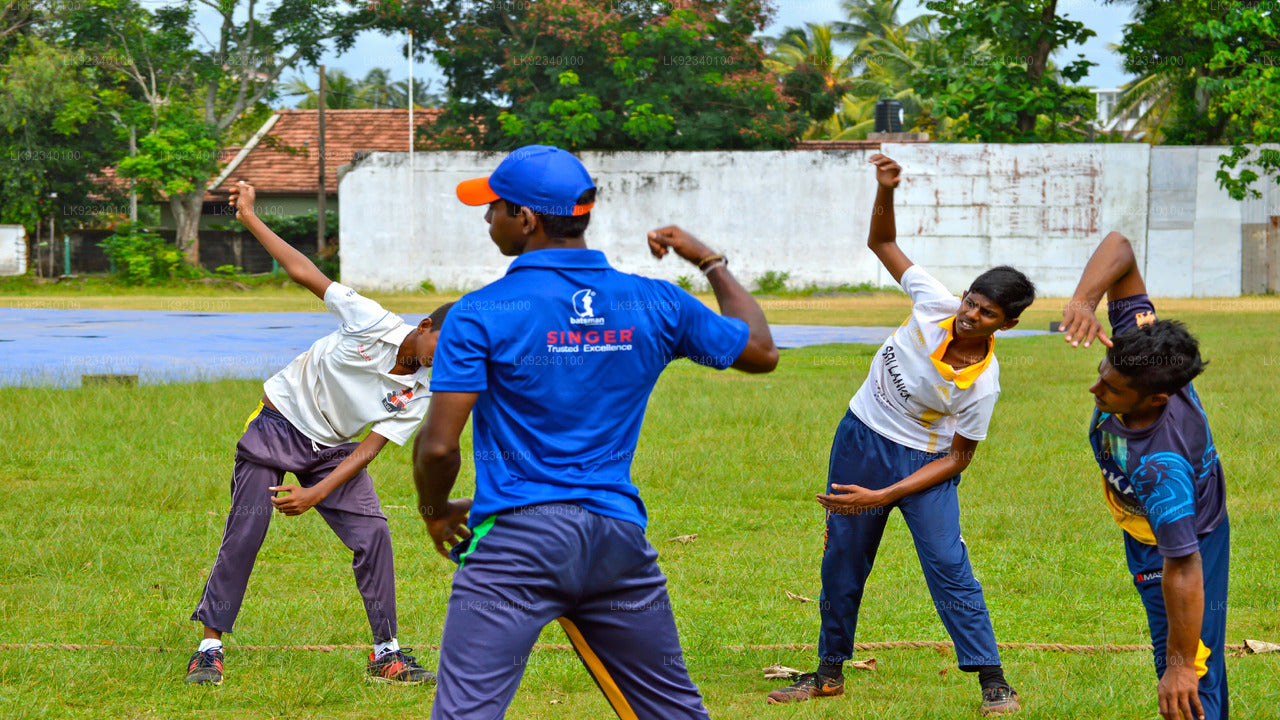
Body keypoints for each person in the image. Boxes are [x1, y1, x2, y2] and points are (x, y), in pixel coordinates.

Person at [413, 144, 779, 719]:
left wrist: (435, 511)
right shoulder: (655, 301)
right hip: (616, 542)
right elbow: (760, 351)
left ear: (525, 219)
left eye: (494, 207)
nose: (487, 218)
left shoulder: (480, 312)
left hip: (515, 545)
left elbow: (438, 448)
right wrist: (708, 261)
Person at [767, 155, 1033, 715]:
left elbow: (959, 459)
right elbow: (882, 242)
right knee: (843, 560)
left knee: (947, 565)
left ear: (1007, 324)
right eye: (971, 301)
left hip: (925, 465)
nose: (970, 315)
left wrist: (886, 495)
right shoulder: (933, 302)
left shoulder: (982, 385)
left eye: (987, 314)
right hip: (860, 439)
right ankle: (828, 675)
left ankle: (993, 681)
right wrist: (884, 188)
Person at [184, 180, 450, 687]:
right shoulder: (370, 320)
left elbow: (370, 448)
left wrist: (316, 493)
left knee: (374, 534)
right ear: (424, 326)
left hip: (333, 449)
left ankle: (386, 653)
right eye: (446, 344)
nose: (447, 358)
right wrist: (249, 216)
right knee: (247, 529)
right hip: (278, 423)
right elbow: (304, 271)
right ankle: (209, 648)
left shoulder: (422, 390)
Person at [1061, 231, 1228, 720]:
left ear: (1156, 400)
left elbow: (1184, 565)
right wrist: (1084, 301)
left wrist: (1180, 666)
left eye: (1111, 389)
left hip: (1176, 541)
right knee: (1194, 664)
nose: (1095, 389)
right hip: (1150, 526)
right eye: (1101, 372)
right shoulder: (1146, 353)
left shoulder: (1161, 469)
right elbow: (1120, 247)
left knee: (1187, 676)